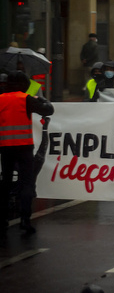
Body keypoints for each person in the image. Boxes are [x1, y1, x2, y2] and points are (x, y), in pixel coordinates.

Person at [0, 71, 54, 234]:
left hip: (5, 147)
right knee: (26, 183)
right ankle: (25, 219)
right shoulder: (26, 99)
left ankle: (3, 220)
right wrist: (41, 99)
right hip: (24, 147)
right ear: (24, 84)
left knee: (6, 183)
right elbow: (48, 110)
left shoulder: (1, 99)